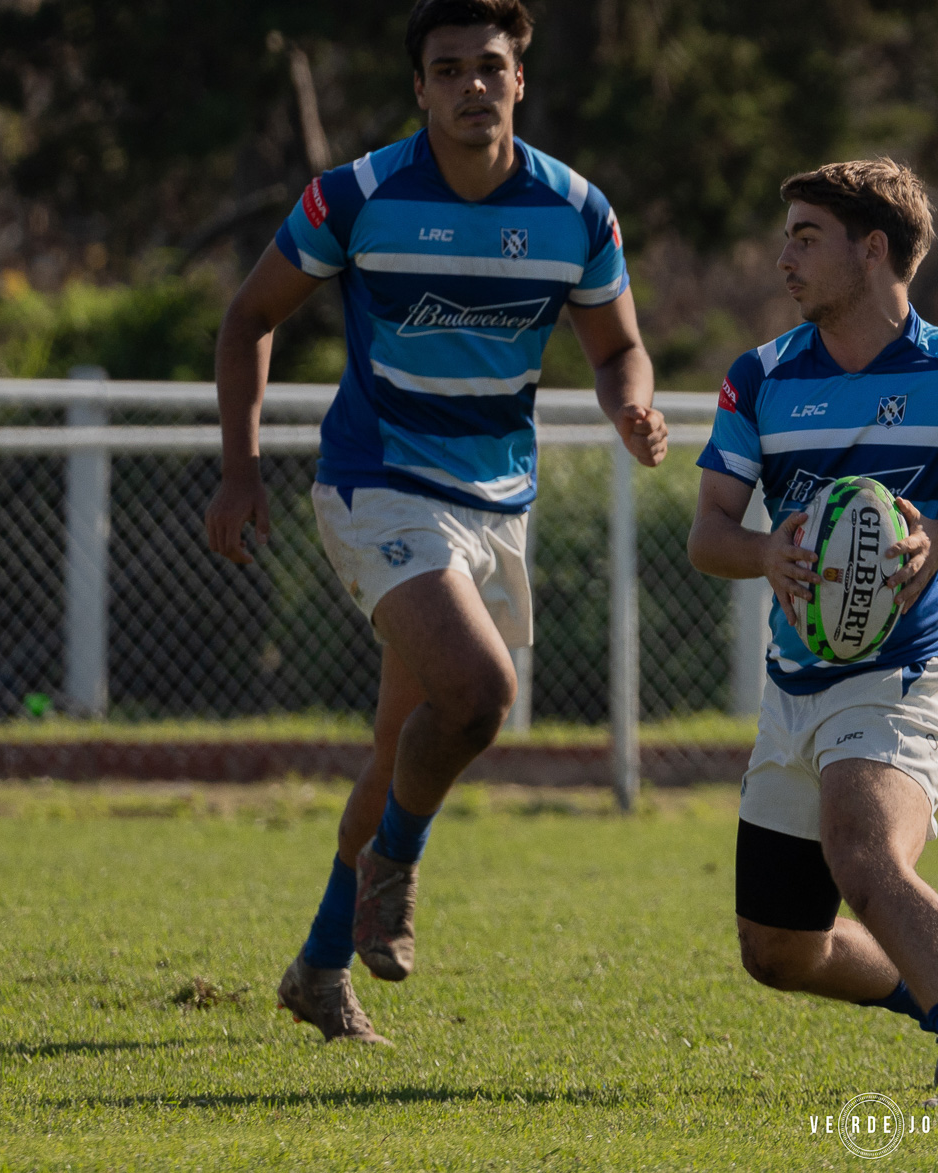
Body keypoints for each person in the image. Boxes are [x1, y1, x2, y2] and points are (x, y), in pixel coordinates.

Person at [204, 0, 665, 1044]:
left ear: (518, 77)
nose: (470, 87)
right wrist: (239, 471)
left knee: (399, 745)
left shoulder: (577, 211)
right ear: (419, 87)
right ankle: (395, 870)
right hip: (376, 480)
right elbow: (249, 318)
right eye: (447, 69)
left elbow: (616, 346)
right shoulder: (356, 196)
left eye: (488, 68)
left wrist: (629, 400)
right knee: (478, 692)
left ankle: (320, 968)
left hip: (496, 498)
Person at [686, 158, 938, 1109]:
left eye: (805, 236)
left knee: (864, 851)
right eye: (786, 234)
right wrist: (765, 555)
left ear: (872, 250)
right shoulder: (759, 376)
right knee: (778, 948)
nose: (783, 256)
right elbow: (709, 533)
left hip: (904, 670)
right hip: (795, 682)